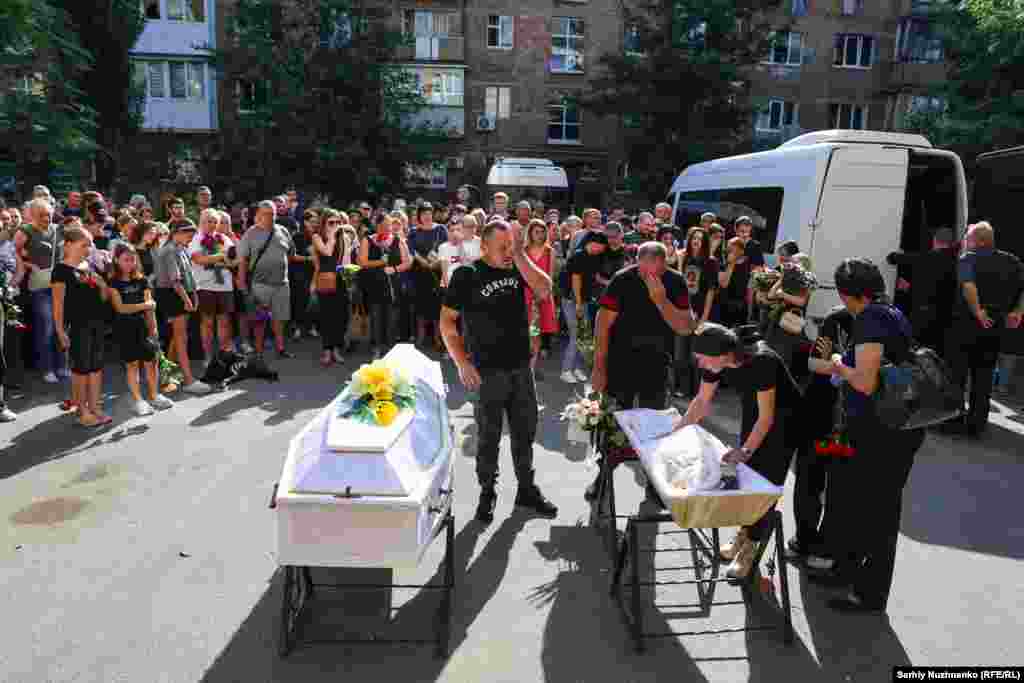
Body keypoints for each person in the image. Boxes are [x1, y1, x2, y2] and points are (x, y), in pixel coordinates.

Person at [813, 257, 926, 613]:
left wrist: (836, 365)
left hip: (883, 431)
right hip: (887, 427)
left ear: (848, 293)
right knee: (860, 505)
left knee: (878, 512)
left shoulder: (872, 319)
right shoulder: (889, 311)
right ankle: (846, 571)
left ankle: (870, 593)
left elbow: (864, 380)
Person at [440, 219, 559, 524]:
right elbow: (447, 322)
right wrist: (462, 363)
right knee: (488, 437)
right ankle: (487, 492)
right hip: (486, 370)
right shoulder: (467, 274)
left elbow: (545, 289)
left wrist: (519, 255)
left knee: (525, 432)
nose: (508, 251)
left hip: (520, 367)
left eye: (511, 245)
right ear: (484, 246)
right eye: (502, 246)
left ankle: (527, 489)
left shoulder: (518, 267)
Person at [681, 323, 802, 580]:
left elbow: (768, 418)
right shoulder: (716, 361)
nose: (701, 365)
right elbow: (701, 401)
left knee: (762, 482)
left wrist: (745, 450)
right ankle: (744, 534)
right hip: (755, 412)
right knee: (746, 474)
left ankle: (750, 547)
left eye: (703, 359)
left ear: (722, 355)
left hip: (784, 421)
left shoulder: (762, 361)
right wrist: (676, 430)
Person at [589, 241, 694, 500]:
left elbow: (685, 327)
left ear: (663, 264)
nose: (645, 275)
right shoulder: (622, 280)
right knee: (612, 424)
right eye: (641, 268)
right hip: (619, 362)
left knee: (656, 427)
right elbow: (602, 324)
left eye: (652, 271)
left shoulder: (675, 282)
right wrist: (599, 367)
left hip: (657, 364)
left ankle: (654, 484)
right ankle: (602, 478)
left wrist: (660, 300)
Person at [786, 304, 854, 569]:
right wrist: (846, 369)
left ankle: (819, 545)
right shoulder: (839, 318)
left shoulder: (855, 319)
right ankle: (810, 542)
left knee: (825, 479)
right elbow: (814, 362)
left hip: (839, 417)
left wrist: (841, 367)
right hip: (828, 413)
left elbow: (815, 362)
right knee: (816, 477)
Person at [944, 222, 1024, 438]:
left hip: (966, 326)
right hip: (994, 328)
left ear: (979, 240)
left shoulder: (968, 259)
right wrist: (1018, 311)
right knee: (984, 377)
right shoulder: (1013, 261)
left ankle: (953, 421)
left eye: (968, 237)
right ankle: (977, 425)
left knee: (957, 375)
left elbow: (968, 285)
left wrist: (978, 310)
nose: (966, 241)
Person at [51, 227, 113, 427]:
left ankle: (95, 407)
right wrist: (60, 332)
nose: (88, 249)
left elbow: (103, 299)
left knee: (96, 368)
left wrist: (103, 286)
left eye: (90, 245)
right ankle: (82, 410)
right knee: (80, 369)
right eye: (84, 245)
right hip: (76, 326)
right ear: (68, 245)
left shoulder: (88, 267)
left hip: (97, 324)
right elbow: (58, 304)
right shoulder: (61, 270)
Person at [107, 243, 173, 416]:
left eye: (132, 259)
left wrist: (154, 330)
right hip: (124, 328)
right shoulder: (113, 282)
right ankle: (138, 400)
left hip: (143, 327)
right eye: (126, 260)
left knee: (151, 363)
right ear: (116, 260)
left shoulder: (142, 280)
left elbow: (150, 309)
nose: (130, 263)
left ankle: (154, 395)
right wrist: (144, 305)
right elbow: (120, 308)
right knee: (132, 365)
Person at [153, 221, 210, 394]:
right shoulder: (170, 250)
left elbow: (188, 276)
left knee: (178, 337)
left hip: (181, 293)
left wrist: (193, 295)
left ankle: (168, 375)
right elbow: (175, 281)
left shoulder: (180, 248)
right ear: (176, 232)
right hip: (173, 295)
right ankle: (188, 380)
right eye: (188, 235)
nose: (191, 239)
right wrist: (187, 300)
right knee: (181, 337)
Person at [886, 227, 959, 357]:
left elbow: (892, 258)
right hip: (947, 318)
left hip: (923, 317)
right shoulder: (956, 261)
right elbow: (940, 290)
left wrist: (908, 288)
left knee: (920, 355)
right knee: (940, 355)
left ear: (934, 240)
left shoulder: (926, 257)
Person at [238, 200, 296, 360]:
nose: (270, 216)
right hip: (260, 283)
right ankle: (258, 351)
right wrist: (241, 281)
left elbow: (290, 254)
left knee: (280, 318)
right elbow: (242, 260)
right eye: (266, 213)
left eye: (273, 213)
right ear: (258, 215)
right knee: (260, 319)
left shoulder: (283, 231)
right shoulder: (250, 233)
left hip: (282, 283)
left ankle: (280, 348)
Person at [22, 198, 67, 383]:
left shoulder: (58, 230)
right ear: (32, 216)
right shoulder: (26, 231)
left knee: (61, 326)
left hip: (58, 284)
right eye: (41, 215)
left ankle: (62, 365)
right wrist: (28, 264)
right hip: (40, 287)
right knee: (46, 327)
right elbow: (12, 252)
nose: (46, 218)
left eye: (48, 215)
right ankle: (46, 368)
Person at [357, 213, 411, 359]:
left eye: (390, 225)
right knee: (376, 316)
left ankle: (390, 348)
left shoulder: (398, 240)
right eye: (385, 225)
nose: (388, 228)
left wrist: (394, 269)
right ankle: (376, 347)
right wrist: (381, 262)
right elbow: (361, 262)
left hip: (393, 285)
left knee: (392, 316)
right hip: (374, 285)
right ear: (378, 226)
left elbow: (407, 262)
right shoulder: (368, 240)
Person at [189, 209, 236, 368]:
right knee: (207, 323)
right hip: (204, 285)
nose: (212, 224)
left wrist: (221, 259)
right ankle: (208, 356)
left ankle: (224, 355)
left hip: (224, 286)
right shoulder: (196, 239)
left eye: (214, 221)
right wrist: (221, 256)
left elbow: (233, 261)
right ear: (201, 222)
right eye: (208, 221)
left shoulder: (224, 239)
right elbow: (198, 259)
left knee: (224, 322)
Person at [676, 227, 720, 396]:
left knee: (695, 355)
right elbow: (679, 283)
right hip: (682, 311)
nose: (696, 241)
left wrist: (704, 317)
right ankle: (681, 387)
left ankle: (695, 391)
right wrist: (680, 262)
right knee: (680, 353)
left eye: (700, 239)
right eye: (694, 238)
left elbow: (710, 291)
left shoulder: (710, 262)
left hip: (700, 311)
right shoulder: (684, 257)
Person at [561, 233, 608, 384]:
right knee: (576, 335)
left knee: (584, 336)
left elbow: (594, 277)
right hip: (573, 300)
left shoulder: (593, 257)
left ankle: (576, 368)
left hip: (584, 300)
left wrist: (608, 282)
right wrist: (579, 303)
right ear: (594, 243)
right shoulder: (579, 256)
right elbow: (576, 280)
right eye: (601, 247)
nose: (601, 250)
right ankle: (566, 370)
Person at [310, 209, 355, 366]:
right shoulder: (317, 237)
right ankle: (327, 351)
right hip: (325, 280)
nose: (335, 225)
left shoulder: (344, 238)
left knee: (341, 316)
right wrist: (331, 237)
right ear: (323, 223)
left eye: (338, 222)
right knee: (326, 316)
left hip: (341, 280)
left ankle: (336, 349)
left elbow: (347, 260)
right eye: (331, 222)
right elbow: (327, 252)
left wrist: (349, 281)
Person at [524, 219, 557, 365]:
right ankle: (525, 364)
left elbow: (549, 276)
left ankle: (532, 365)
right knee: (526, 332)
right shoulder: (523, 251)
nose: (540, 235)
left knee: (536, 332)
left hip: (542, 296)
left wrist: (544, 294)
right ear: (530, 233)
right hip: (525, 294)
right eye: (536, 231)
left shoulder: (550, 251)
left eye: (543, 232)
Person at [289, 209, 318, 341]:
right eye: (312, 221)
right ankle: (298, 328)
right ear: (305, 222)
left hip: (315, 272)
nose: (314, 224)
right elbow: (291, 257)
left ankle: (311, 326)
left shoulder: (318, 237)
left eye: (316, 222)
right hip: (299, 273)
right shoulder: (297, 237)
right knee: (300, 300)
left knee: (314, 301)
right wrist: (308, 258)